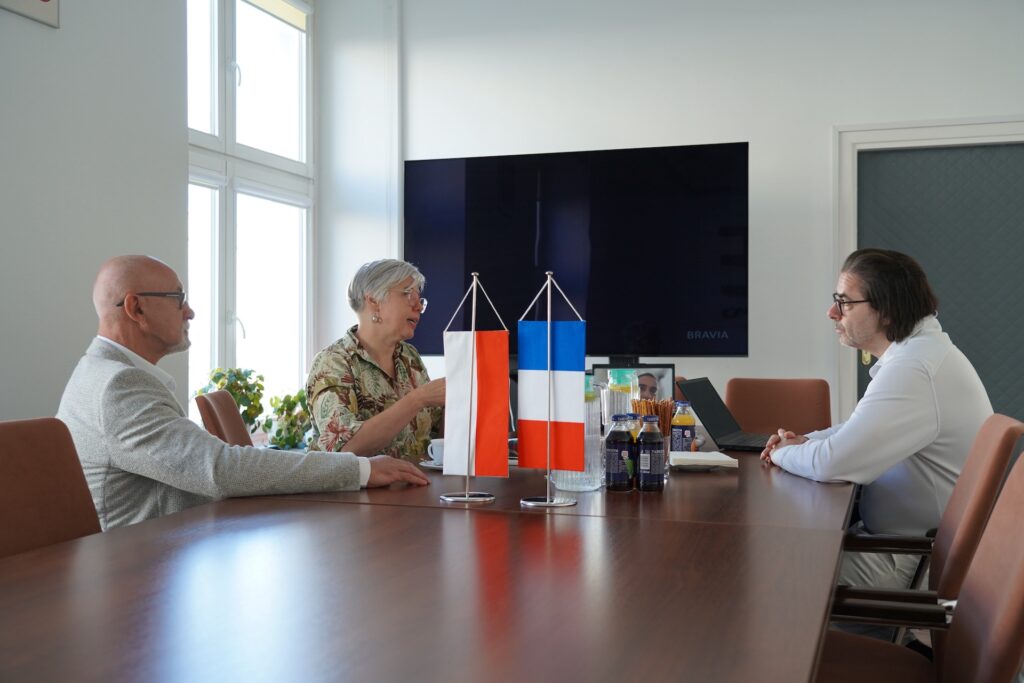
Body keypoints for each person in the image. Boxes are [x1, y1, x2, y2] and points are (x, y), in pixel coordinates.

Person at [57, 255, 428, 531]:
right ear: (136, 307)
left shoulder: (110, 374)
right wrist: (362, 468)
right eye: (178, 299)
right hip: (137, 572)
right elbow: (218, 468)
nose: (190, 312)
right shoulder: (118, 387)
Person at [761, 248, 992, 598]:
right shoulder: (919, 354)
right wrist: (805, 441)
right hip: (904, 545)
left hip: (910, 561)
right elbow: (855, 428)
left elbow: (833, 463)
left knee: (769, 572)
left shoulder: (916, 369)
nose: (832, 312)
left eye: (845, 303)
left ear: (887, 310)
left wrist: (780, 453)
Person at [306, 259, 445, 462]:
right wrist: (418, 399)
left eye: (419, 298)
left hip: (417, 489)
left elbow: (436, 438)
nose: (418, 306)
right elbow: (343, 449)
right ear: (374, 302)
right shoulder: (333, 362)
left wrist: (459, 402)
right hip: (354, 494)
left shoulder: (410, 357)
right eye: (408, 294)